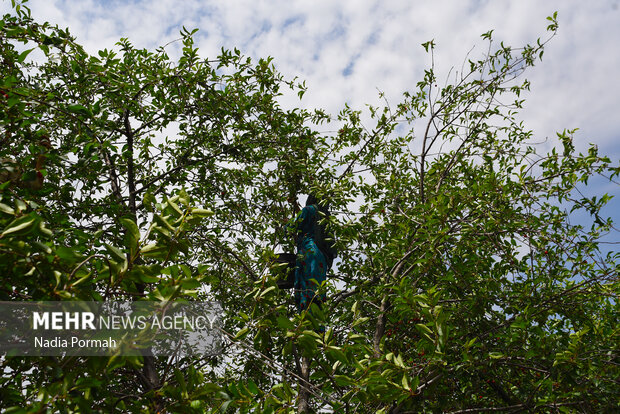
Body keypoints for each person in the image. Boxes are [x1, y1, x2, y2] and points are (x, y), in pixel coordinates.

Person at [288, 194, 335, 314]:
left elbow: (293, 227)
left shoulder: (308, 210)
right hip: (321, 258)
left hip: (309, 253)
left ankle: (305, 319)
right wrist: (294, 205)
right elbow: (308, 222)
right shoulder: (326, 217)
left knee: (306, 290)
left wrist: (287, 224)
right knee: (317, 293)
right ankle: (316, 323)